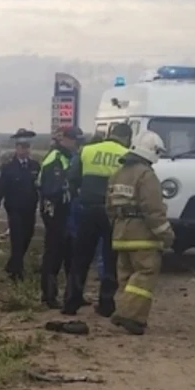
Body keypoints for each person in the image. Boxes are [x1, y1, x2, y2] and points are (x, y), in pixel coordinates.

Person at [107, 130, 174, 336]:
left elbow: (109, 206)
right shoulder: (146, 175)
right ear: (152, 151)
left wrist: (117, 227)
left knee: (126, 277)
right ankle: (130, 316)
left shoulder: (118, 173)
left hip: (121, 234)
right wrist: (166, 234)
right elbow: (153, 209)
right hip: (143, 236)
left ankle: (124, 310)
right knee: (145, 274)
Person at [63, 122, 132, 316]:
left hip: (88, 209)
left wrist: (82, 192)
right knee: (110, 258)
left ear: (110, 133)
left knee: (81, 257)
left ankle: (71, 301)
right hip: (112, 212)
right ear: (127, 138)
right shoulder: (125, 155)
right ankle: (106, 304)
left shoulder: (87, 150)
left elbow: (72, 176)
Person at [37, 126, 82, 308]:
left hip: (70, 214)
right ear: (63, 139)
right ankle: (49, 296)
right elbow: (52, 189)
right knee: (54, 255)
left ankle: (73, 295)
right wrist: (71, 189)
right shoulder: (55, 158)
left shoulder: (70, 157)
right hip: (56, 213)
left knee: (72, 256)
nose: (77, 144)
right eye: (74, 140)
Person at [0, 128, 40, 281]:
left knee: (27, 237)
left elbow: (40, 187)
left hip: (30, 209)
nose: (24, 150)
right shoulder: (8, 167)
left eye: (27, 147)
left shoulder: (35, 166)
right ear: (16, 148)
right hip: (14, 209)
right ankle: (17, 273)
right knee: (17, 240)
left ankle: (12, 265)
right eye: (21, 147)